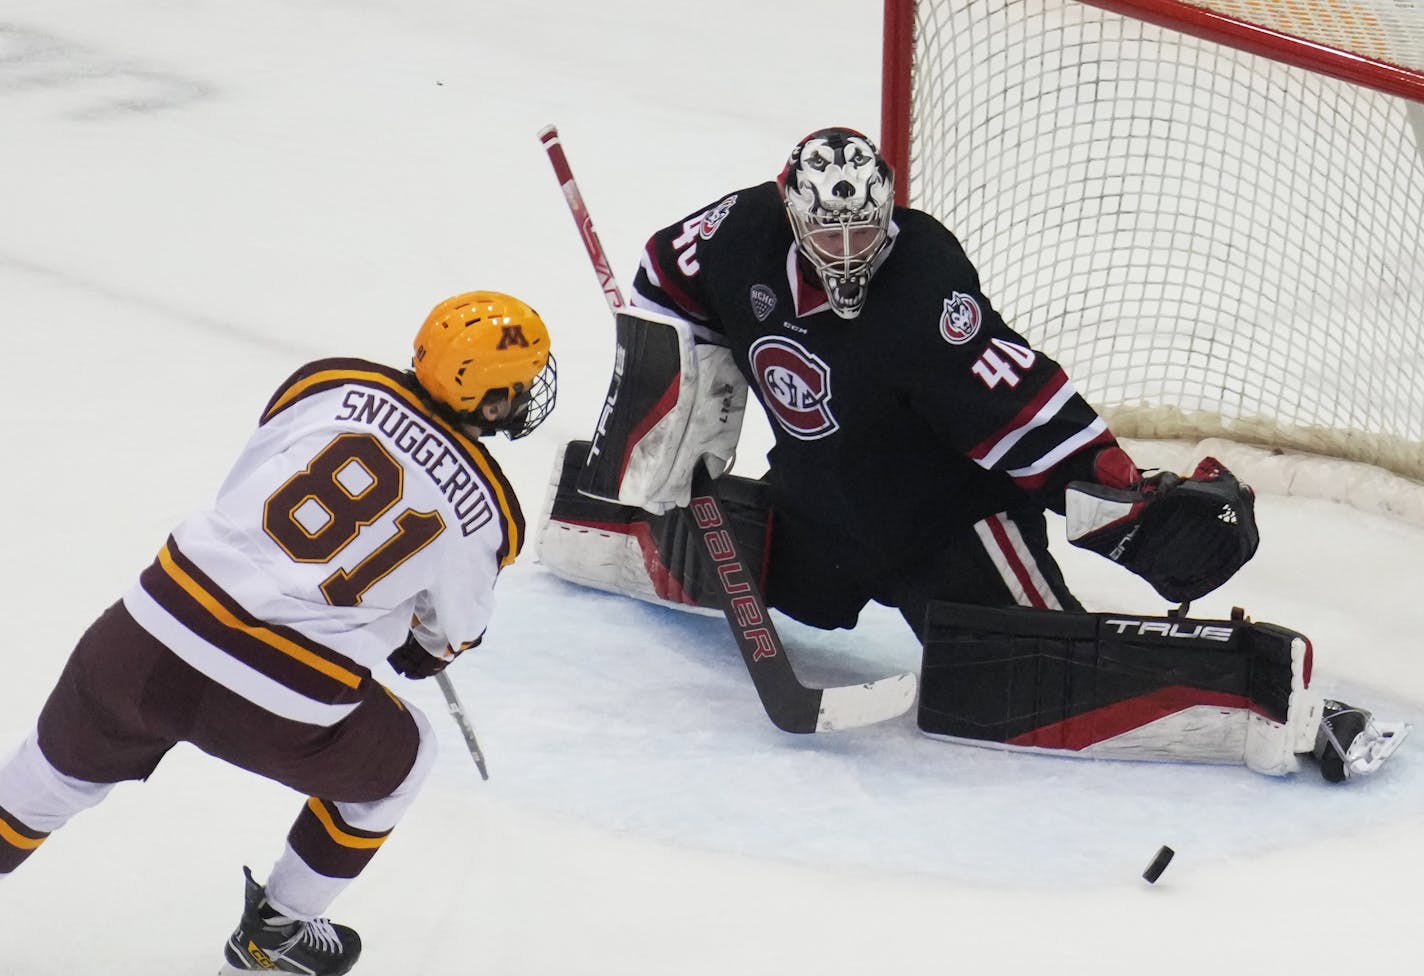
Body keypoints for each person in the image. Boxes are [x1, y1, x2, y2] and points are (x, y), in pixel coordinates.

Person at [538, 127, 1405, 782]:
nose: (848, 252)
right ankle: (586, 514)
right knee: (709, 530)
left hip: (946, 525)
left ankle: (1278, 708)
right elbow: (664, 283)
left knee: (1023, 678)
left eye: (863, 231)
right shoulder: (742, 232)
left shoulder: (926, 292)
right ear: (791, 211)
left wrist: (1129, 504)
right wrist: (678, 421)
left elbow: (1027, 409)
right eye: (827, 234)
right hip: (820, 509)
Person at [0, 291, 556, 974]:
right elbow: (448, 638)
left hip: (147, 633)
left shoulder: (332, 381)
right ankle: (278, 932)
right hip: (279, 703)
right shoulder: (492, 507)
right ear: (492, 400)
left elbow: (254, 469)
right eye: (522, 381)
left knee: (39, 785)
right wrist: (413, 643)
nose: (528, 392)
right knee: (406, 759)